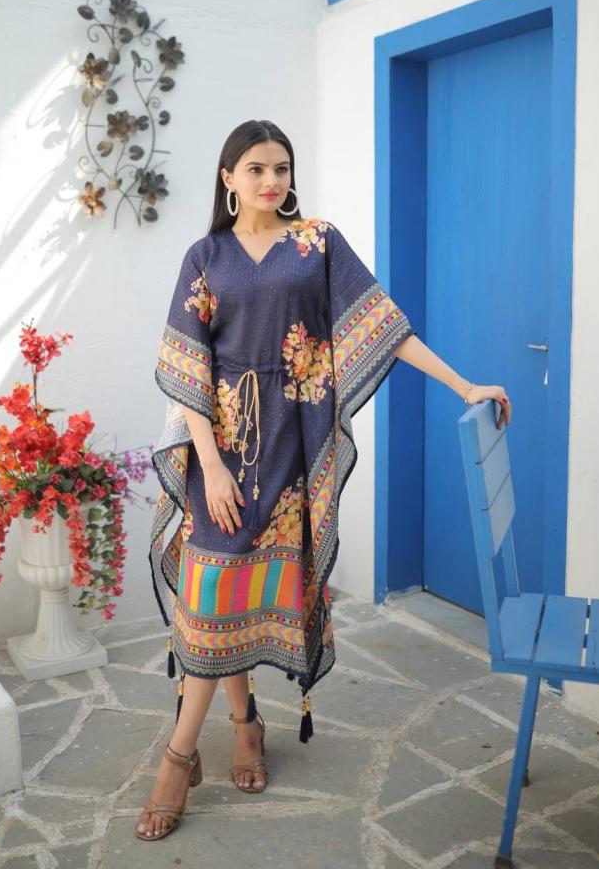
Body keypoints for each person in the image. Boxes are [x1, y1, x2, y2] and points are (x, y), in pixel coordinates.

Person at [136, 119, 511, 841]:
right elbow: (187, 370)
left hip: (292, 445)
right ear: (228, 179)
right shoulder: (205, 256)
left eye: (280, 167)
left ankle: (244, 728)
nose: (270, 180)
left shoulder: (317, 243)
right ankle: (182, 754)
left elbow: (384, 328)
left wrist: (464, 385)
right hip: (222, 449)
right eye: (255, 169)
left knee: (242, 588)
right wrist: (209, 465)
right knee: (211, 594)